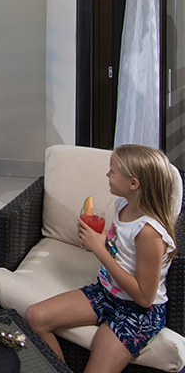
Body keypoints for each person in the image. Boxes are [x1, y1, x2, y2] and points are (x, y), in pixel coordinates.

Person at [24, 145, 177, 372]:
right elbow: (122, 253)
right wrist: (101, 241)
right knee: (35, 316)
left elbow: (144, 297)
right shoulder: (122, 205)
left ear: (134, 183)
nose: (107, 175)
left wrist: (100, 250)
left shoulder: (149, 232)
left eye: (112, 172)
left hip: (137, 313)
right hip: (106, 293)